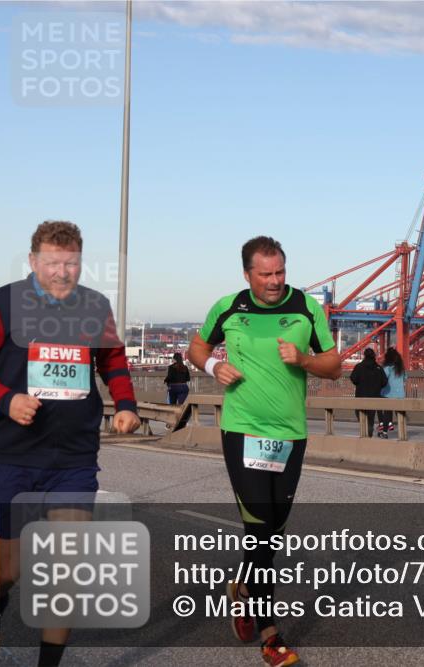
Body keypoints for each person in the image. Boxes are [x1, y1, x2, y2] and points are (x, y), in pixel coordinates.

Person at [0, 221, 141, 665]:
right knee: (6, 572)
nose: (61, 272)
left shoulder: (94, 307)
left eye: (70, 263)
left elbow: (111, 359)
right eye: (52, 263)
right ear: (33, 261)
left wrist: (125, 403)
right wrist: (5, 399)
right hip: (15, 457)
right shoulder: (0, 306)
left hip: (73, 459)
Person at [187, 236, 340, 667]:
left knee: (272, 530)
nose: (275, 282)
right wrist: (214, 366)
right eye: (266, 274)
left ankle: (242, 587)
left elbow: (334, 364)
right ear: (247, 274)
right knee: (257, 528)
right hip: (242, 430)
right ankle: (270, 633)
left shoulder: (306, 308)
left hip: (290, 434)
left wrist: (304, 361)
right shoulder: (228, 308)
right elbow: (196, 348)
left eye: (280, 273)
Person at [349, 348, 387, 437]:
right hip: (374, 397)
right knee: (371, 418)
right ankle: (369, 431)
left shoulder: (359, 367)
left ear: (364, 355)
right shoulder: (378, 368)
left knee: (360, 414)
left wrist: (359, 383)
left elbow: (353, 379)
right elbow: (384, 382)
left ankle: (364, 433)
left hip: (360, 396)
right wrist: (377, 387)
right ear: (374, 356)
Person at [377, 347, 406, 439]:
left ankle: (384, 432)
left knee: (387, 413)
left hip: (388, 394)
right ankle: (402, 433)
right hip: (400, 395)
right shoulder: (400, 369)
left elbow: (383, 379)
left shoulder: (388, 368)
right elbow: (405, 378)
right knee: (400, 414)